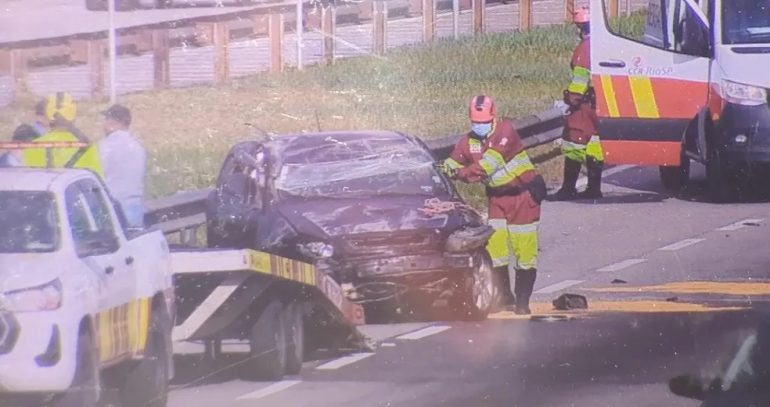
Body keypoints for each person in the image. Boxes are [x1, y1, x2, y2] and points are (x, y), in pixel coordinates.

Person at [442, 95, 546, 315]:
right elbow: (454, 159)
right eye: (475, 122)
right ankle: (505, 297)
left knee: (524, 250)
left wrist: (458, 172)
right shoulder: (469, 140)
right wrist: (446, 167)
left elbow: (487, 166)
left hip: (522, 197)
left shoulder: (505, 132)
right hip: (497, 198)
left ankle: (522, 302)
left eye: (483, 122)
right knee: (495, 249)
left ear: (493, 117)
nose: (479, 126)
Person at [553, 7, 605, 201]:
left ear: (581, 27)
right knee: (595, 146)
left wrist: (572, 98)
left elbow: (580, 78)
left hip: (584, 105)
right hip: (600, 103)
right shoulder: (604, 44)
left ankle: (568, 189)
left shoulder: (585, 48)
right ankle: (594, 188)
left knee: (574, 142)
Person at [22, 92, 104, 177]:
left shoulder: (33, 147)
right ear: (74, 115)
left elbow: (30, 181)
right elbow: (97, 182)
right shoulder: (88, 147)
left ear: (48, 114)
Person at [99, 104, 147, 229]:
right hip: (135, 208)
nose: (103, 124)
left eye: (106, 120)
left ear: (113, 122)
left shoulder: (104, 147)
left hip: (113, 210)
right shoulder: (138, 147)